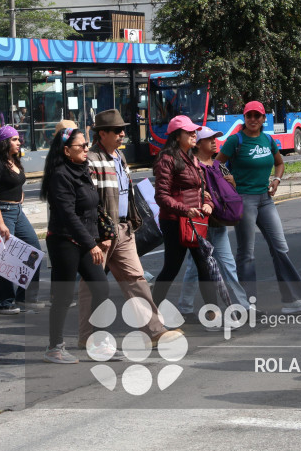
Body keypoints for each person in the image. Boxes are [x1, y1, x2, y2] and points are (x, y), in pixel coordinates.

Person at [80, 109, 179, 348]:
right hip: (102, 232)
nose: (122, 134)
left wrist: (131, 223)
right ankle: (86, 336)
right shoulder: (91, 161)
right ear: (101, 133)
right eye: (116, 130)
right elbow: (88, 202)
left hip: (123, 230)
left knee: (136, 280)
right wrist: (96, 236)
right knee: (91, 286)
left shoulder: (119, 158)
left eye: (123, 129)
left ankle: (155, 331)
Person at [215, 101, 301, 313]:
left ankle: (290, 300)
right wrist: (228, 181)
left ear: (263, 119)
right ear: (244, 117)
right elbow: (217, 165)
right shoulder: (235, 141)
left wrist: (276, 180)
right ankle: (246, 306)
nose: (253, 120)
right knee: (246, 254)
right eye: (249, 116)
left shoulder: (268, 140)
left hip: (266, 199)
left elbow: (279, 163)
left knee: (280, 248)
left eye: (257, 116)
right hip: (244, 200)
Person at [40, 127, 114, 364]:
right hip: (64, 241)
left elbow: (93, 207)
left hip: (84, 240)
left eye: (86, 145)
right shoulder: (60, 175)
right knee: (62, 296)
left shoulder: (83, 170)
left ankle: (98, 343)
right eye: (81, 146)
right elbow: (68, 215)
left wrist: (103, 232)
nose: (86, 149)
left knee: (102, 288)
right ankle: (55, 347)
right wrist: (90, 243)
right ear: (66, 151)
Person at [178, 126, 249, 321]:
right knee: (195, 268)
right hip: (201, 223)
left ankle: (243, 307)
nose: (214, 141)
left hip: (218, 223)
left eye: (215, 138)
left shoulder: (219, 165)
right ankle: (185, 307)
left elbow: (229, 192)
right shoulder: (192, 166)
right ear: (198, 143)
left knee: (228, 266)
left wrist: (232, 183)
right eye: (209, 139)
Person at [151, 115, 220, 312]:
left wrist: (207, 203)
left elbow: (202, 188)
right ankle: (153, 312)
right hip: (174, 222)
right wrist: (185, 210)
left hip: (195, 221)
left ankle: (212, 314)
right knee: (172, 268)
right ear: (176, 136)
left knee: (204, 265)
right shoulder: (167, 159)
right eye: (189, 132)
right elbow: (161, 196)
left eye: (194, 131)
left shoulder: (192, 158)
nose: (193, 134)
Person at [0, 125, 42, 314]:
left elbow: (16, 182)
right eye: (14, 139)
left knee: (34, 252)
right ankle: (4, 301)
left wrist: (20, 196)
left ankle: (26, 298)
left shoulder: (14, 160)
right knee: (4, 258)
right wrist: (0, 223)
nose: (19, 142)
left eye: (18, 139)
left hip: (18, 211)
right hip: (3, 211)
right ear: (4, 142)